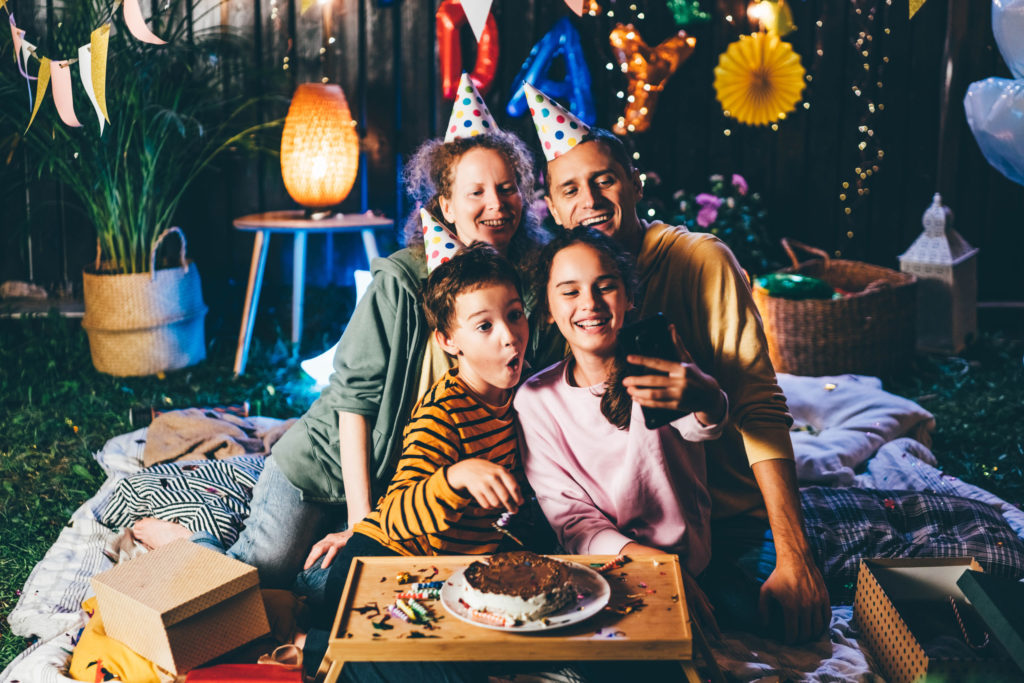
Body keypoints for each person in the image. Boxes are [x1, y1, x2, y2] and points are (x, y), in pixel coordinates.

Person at [132, 79, 561, 592]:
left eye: (508, 186)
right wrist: (362, 526)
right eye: (476, 192)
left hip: (413, 491)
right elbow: (353, 402)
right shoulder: (402, 281)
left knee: (329, 591)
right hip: (329, 467)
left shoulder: (529, 290)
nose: (496, 203)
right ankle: (188, 541)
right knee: (256, 579)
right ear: (445, 205)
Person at [523, 84, 829, 643]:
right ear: (553, 207)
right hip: (620, 522)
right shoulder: (563, 285)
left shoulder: (700, 260)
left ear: (634, 184)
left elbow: (754, 403)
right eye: (570, 188)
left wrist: (795, 554)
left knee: (763, 626)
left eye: (604, 180)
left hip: (727, 515)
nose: (589, 199)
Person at [298, 243, 530, 681]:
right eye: (484, 326)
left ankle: (333, 648)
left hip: (451, 574)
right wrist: (455, 477)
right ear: (448, 341)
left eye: (515, 315)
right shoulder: (442, 413)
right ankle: (313, 647)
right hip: (380, 560)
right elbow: (401, 511)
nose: (508, 335)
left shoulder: (525, 395)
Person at [515, 228, 727, 625]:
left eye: (605, 287)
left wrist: (708, 395)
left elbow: (703, 428)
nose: (590, 304)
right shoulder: (536, 400)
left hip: (693, 565)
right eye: (570, 291)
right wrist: (657, 564)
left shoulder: (656, 363)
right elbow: (573, 519)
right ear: (546, 308)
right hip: (604, 571)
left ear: (629, 297)